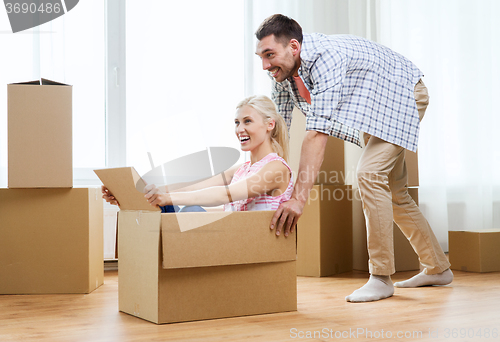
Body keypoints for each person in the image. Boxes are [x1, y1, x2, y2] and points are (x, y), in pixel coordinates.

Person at [254, 14, 453, 303]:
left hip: (404, 94)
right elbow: (279, 132)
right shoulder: (282, 76)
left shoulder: (326, 58)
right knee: (395, 194)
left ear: (293, 47)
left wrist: (298, 199)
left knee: (369, 174)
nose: (265, 65)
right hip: (374, 105)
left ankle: (381, 277)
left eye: (269, 55)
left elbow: (316, 134)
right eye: (261, 56)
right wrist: (262, 174)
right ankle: (438, 267)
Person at [103, 95, 294, 213]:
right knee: (167, 204)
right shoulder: (242, 169)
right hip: (237, 238)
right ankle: (131, 200)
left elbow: (227, 194)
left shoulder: (276, 168)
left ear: (270, 124)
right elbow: (191, 188)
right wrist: (141, 194)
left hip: (251, 242)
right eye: (237, 123)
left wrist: (167, 198)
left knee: (190, 210)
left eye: (247, 121)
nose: (239, 129)